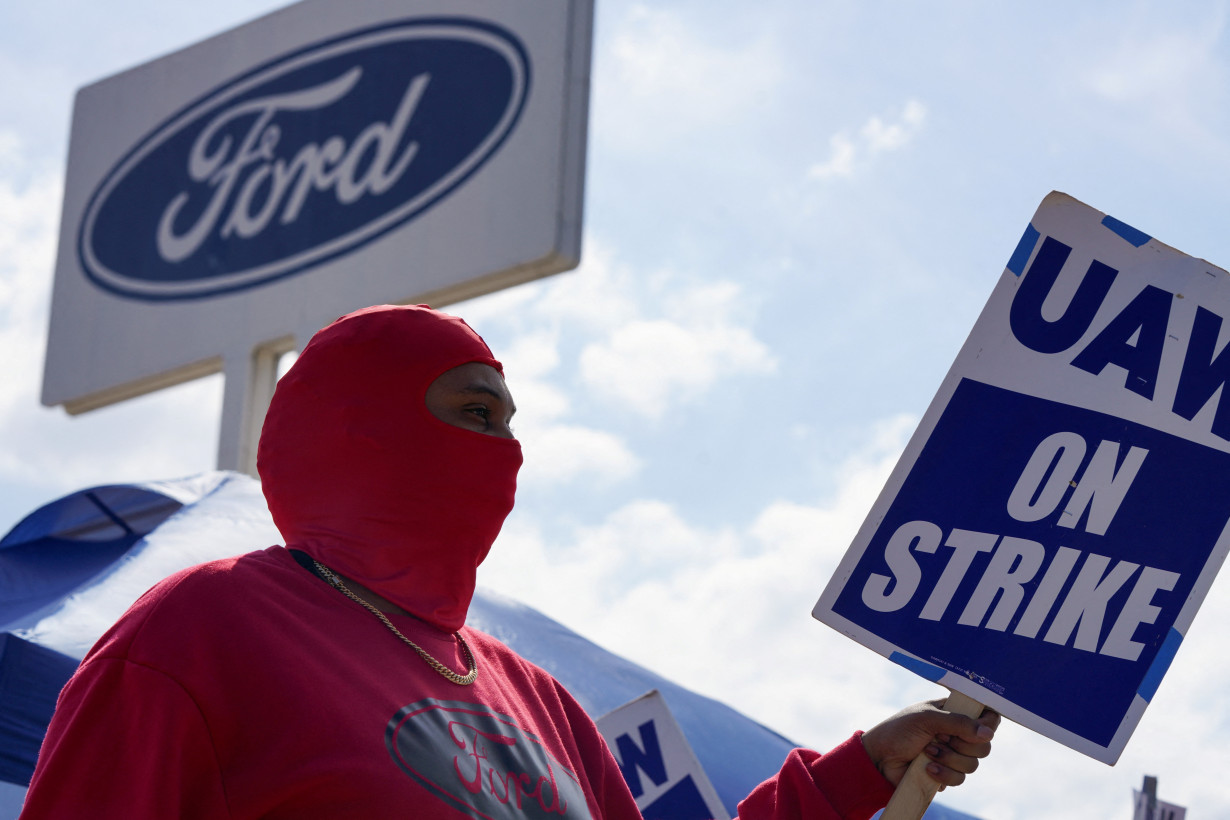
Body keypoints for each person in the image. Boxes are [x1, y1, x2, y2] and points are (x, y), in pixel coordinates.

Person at [20, 304, 998, 819]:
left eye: (511, 423)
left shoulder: (542, 702)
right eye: (473, 414)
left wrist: (862, 771)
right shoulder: (202, 632)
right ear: (356, 430)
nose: (506, 451)